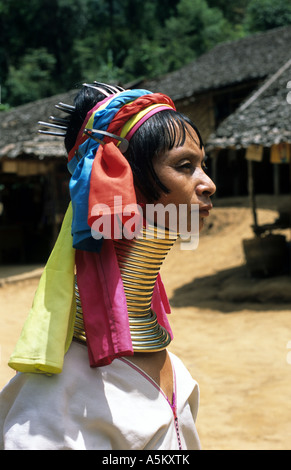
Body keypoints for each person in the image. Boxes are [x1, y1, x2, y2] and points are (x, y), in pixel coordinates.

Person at [0, 82, 216, 450]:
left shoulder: (173, 367)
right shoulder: (57, 396)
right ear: (119, 180)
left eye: (202, 166)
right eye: (185, 166)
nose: (208, 184)